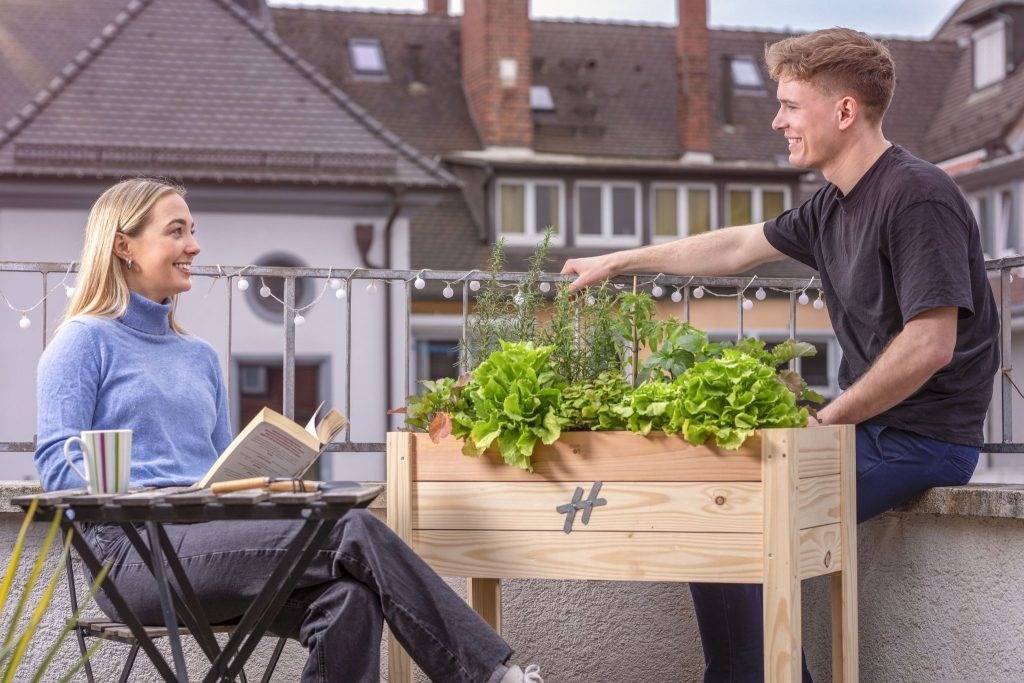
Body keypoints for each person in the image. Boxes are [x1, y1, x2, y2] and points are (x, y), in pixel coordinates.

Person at [562, 27, 998, 682]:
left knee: (735, 518)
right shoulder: (832, 207)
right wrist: (620, 260)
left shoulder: (917, 195)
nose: (777, 120)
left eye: (791, 105)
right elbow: (733, 248)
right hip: (869, 432)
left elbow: (929, 344)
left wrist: (826, 422)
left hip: (922, 440)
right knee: (713, 500)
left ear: (844, 111)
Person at [35, 178, 544, 683]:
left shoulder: (199, 357)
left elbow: (218, 470)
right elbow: (58, 466)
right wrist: (148, 492)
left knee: (349, 599)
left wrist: (264, 480)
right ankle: (492, 677)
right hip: (133, 557)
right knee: (351, 527)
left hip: (210, 543)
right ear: (124, 244)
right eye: (176, 231)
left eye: (192, 230)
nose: (194, 245)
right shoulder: (83, 341)